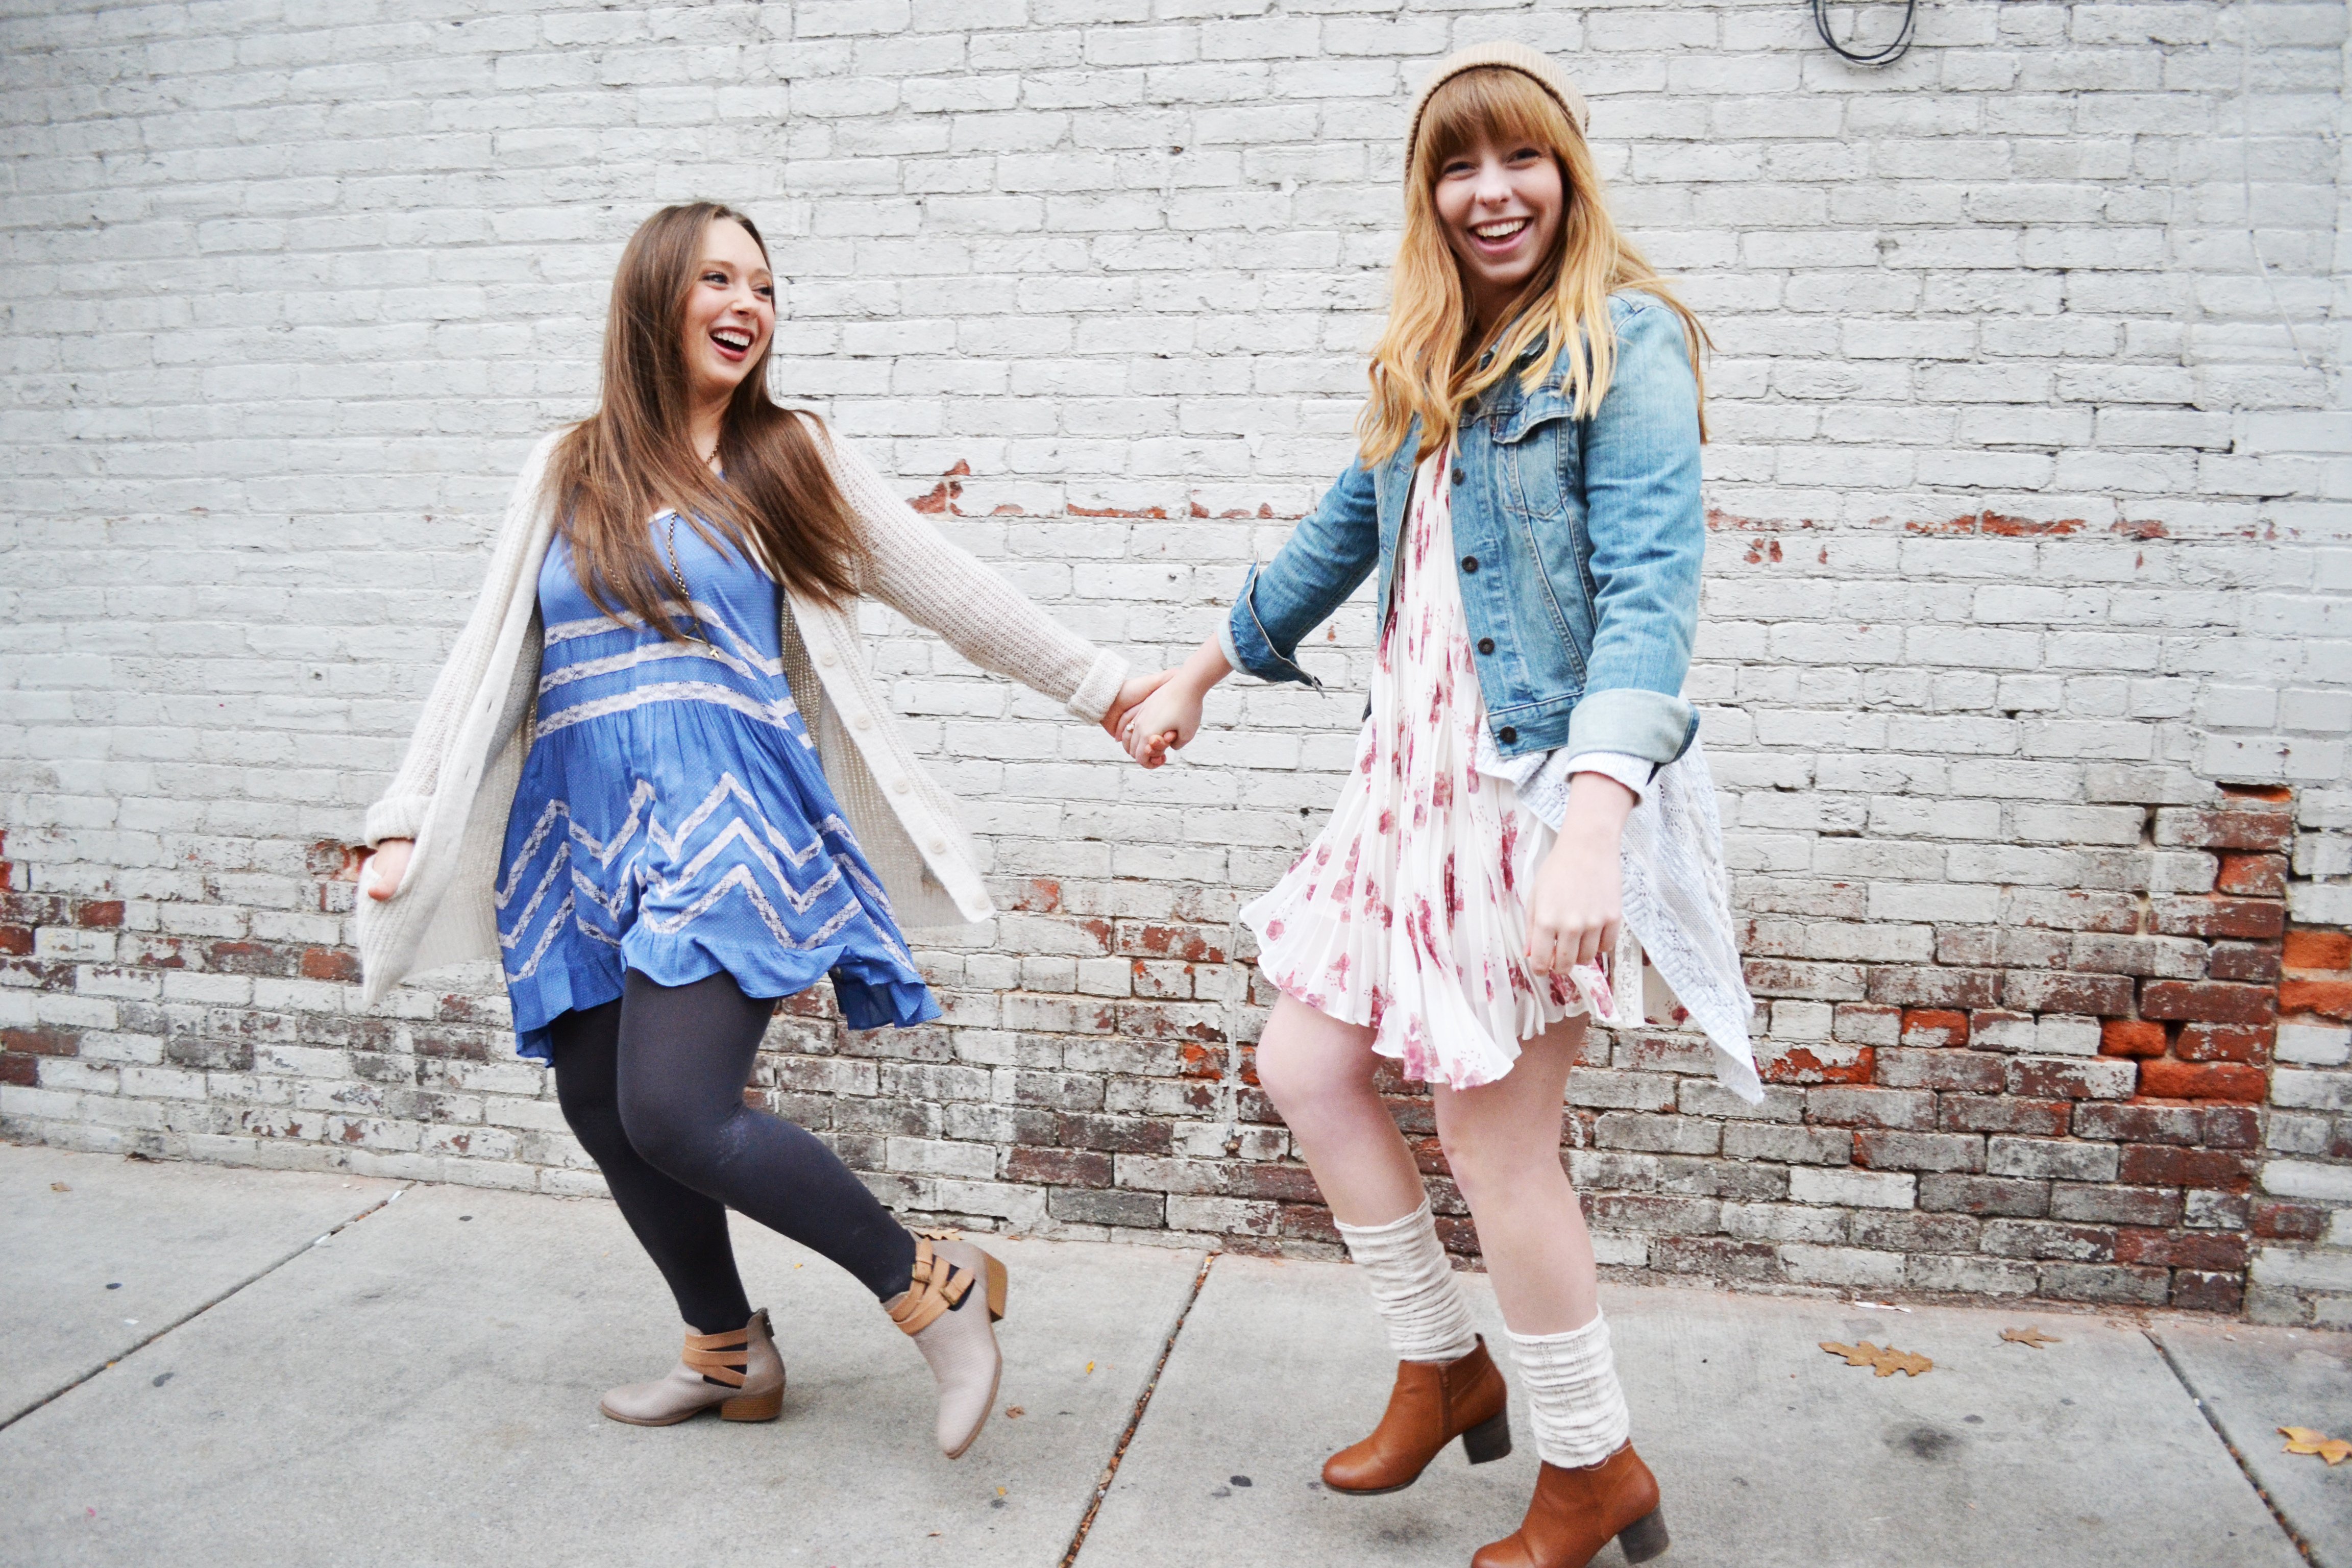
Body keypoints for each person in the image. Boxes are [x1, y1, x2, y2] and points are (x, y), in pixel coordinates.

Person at [353, 201, 1162, 1460]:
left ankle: (927, 1285)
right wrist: (406, 816)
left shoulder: (790, 455)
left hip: (729, 816)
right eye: (719, 279)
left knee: (677, 1109)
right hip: (578, 826)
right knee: (599, 1105)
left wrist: (1107, 689)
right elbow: (489, 655)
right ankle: (727, 1349)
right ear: (655, 299)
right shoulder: (567, 467)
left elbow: (949, 587)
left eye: (767, 288)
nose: (748, 305)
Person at [1119, 43, 1759, 1568]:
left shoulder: (1629, 339)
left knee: (1497, 1144)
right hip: (1400, 801)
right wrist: (1201, 668)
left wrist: (1596, 820)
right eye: (1458, 168)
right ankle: (1443, 1359)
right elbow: (1339, 531)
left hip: (1534, 794)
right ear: (1430, 196)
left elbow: (1654, 592)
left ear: (1567, 173)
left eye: (1520, 160)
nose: (1492, 192)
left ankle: (1592, 1468)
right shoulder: (1425, 362)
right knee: (1306, 1062)